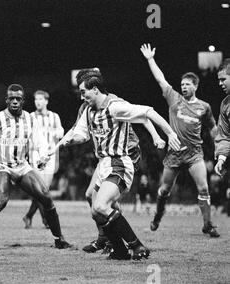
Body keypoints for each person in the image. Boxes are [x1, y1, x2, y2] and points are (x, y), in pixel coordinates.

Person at [57, 72, 181, 260]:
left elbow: (147, 112)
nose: (82, 97)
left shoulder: (114, 106)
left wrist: (169, 133)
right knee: (96, 211)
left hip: (119, 162)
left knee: (101, 205)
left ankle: (137, 246)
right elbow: (80, 133)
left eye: (84, 93)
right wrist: (66, 143)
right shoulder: (89, 110)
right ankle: (119, 251)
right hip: (104, 163)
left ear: (95, 89)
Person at [0, 84, 71, 250]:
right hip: (1, 165)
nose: (15, 101)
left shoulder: (30, 119)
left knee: (45, 196)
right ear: (6, 100)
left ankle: (59, 240)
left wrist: (43, 157)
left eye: (18, 99)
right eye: (11, 98)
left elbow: (40, 142)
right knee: (1, 199)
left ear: (23, 101)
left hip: (22, 166)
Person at [140, 43, 219, 237]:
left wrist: (219, 147)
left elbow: (212, 128)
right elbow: (161, 79)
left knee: (203, 187)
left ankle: (208, 224)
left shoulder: (204, 107)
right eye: (182, 84)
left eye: (187, 85)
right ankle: (158, 215)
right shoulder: (173, 99)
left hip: (194, 155)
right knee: (164, 190)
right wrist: (151, 59)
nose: (183, 87)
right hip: (174, 154)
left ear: (195, 86)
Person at [23, 90, 64, 229]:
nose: (38, 102)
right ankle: (46, 220)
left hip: (51, 156)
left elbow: (61, 131)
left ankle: (28, 216)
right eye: (36, 99)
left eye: (40, 99)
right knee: (41, 189)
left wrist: (56, 133)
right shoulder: (30, 116)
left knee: (43, 189)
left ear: (46, 101)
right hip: (35, 155)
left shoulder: (54, 116)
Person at [213, 58, 230, 215]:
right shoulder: (225, 105)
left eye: (223, 79)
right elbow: (224, 135)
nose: (220, 83)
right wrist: (221, 159)